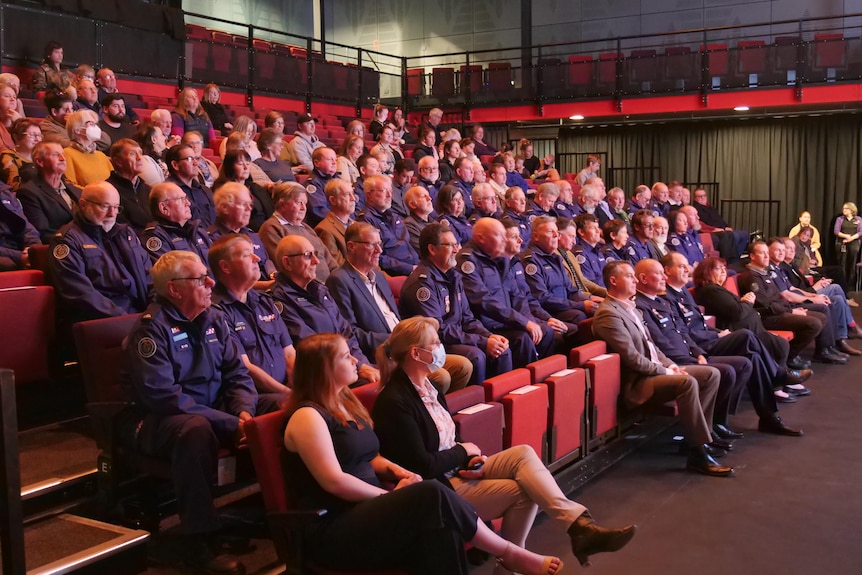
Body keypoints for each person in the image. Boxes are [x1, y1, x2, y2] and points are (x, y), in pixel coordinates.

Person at [282, 332, 563, 575]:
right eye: (345, 357)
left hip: (368, 513)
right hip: (333, 527)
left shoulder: (346, 403)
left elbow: (369, 457)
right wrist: (392, 497)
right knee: (431, 493)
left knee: (443, 528)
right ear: (324, 369)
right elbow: (334, 481)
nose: (355, 360)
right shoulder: (307, 416)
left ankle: (508, 555)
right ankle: (509, 553)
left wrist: (399, 473)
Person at [375, 316, 637, 570]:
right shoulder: (394, 401)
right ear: (416, 353)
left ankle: (579, 525)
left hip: (458, 468)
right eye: (434, 343)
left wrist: (471, 458)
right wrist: (463, 451)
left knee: (523, 453)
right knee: (524, 492)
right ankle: (516, 563)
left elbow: (449, 436)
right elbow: (422, 464)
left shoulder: (429, 388)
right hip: (440, 488)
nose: (440, 347)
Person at [121, 250, 277, 575]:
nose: (210, 283)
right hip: (158, 419)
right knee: (194, 430)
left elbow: (238, 373)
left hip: (215, 408)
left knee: (278, 407)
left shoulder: (214, 318)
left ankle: (279, 506)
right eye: (199, 279)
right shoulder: (150, 331)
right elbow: (163, 396)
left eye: (208, 276)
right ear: (175, 289)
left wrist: (245, 414)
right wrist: (232, 423)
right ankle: (198, 540)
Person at [592, 260, 731, 477]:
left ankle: (697, 437)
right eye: (629, 276)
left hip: (656, 370)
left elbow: (652, 347)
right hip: (639, 381)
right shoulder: (608, 313)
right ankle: (698, 453)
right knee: (687, 381)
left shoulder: (631, 308)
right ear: (613, 281)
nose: (635, 280)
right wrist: (667, 372)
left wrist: (672, 365)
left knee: (711, 373)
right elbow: (633, 359)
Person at [663, 252, 806, 431]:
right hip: (698, 347)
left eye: (687, 265)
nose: (687, 269)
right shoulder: (666, 297)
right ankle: (777, 373)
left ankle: (767, 418)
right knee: (745, 336)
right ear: (666, 271)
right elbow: (683, 333)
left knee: (753, 358)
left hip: (707, 338)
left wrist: (717, 332)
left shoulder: (683, 292)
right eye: (681, 266)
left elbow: (699, 325)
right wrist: (716, 336)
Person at [325, 222, 471, 393]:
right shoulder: (339, 280)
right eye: (372, 245)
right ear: (351, 246)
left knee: (463, 366)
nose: (379, 250)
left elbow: (396, 318)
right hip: (384, 352)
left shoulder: (379, 277)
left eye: (380, 244)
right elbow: (351, 332)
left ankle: (440, 415)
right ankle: (424, 415)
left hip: (406, 347)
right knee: (441, 376)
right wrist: (394, 341)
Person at [634, 258, 750, 450]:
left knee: (742, 365)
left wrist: (698, 352)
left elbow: (683, 331)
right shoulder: (640, 306)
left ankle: (714, 425)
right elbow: (658, 344)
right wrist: (689, 360)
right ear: (643, 279)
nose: (664, 277)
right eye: (659, 273)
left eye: (664, 273)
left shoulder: (662, 302)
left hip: (690, 354)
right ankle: (701, 436)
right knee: (724, 371)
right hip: (675, 362)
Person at [400, 223, 513, 386]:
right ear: (432, 249)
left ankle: (501, 403)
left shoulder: (453, 275)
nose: (456, 250)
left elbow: (467, 319)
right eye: (450, 245)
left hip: (455, 338)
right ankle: (477, 407)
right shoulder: (422, 284)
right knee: (475, 355)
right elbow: (437, 331)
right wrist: (481, 342)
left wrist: (488, 336)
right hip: (433, 344)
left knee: (501, 349)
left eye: (456, 244)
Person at [270, 235, 380, 386]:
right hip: (326, 376)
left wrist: (362, 363)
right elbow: (311, 345)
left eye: (315, 254)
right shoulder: (280, 300)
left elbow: (346, 332)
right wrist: (357, 366)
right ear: (287, 262)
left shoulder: (321, 290)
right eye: (308, 256)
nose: (316, 261)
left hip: (349, 365)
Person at [691, 256, 815, 386]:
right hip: (739, 332)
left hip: (754, 329)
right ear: (706, 272)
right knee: (777, 344)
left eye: (724, 268)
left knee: (780, 343)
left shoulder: (718, 289)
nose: (723, 271)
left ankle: (782, 380)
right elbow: (737, 313)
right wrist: (747, 302)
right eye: (718, 268)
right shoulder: (711, 290)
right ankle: (778, 383)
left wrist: (745, 302)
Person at [458, 218, 558, 367]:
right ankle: (525, 385)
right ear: (481, 238)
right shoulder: (467, 261)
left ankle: (542, 379)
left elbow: (517, 296)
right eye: (499, 235)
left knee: (545, 332)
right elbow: (483, 301)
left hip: (507, 321)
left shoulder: (499, 258)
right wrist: (524, 323)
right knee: (522, 338)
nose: (504, 240)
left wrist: (530, 321)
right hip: (487, 326)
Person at [49, 181, 152, 325]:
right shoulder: (67, 241)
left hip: (141, 315)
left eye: (116, 207)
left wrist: (154, 310)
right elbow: (79, 294)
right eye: (105, 206)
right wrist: (126, 318)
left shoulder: (126, 233)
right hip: (104, 321)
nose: (112, 214)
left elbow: (150, 276)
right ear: (83, 204)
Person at [210, 234, 293, 395]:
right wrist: (288, 394)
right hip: (255, 396)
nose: (257, 258)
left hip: (286, 390)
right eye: (247, 255)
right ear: (226, 267)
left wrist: (298, 389)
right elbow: (245, 366)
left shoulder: (265, 301)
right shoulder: (216, 311)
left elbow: (289, 352)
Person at [738, 241, 845, 365]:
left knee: (821, 317)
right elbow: (766, 305)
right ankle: (789, 356)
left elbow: (778, 297)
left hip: (780, 311)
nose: (767, 256)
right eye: (762, 253)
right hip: (768, 317)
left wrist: (793, 309)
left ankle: (821, 350)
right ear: (752, 256)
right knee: (814, 323)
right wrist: (792, 311)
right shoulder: (751, 276)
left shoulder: (764, 272)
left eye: (767, 253)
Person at [771, 237, 862, 356]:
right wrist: (814, 294)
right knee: (834, 291)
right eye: (786, 248)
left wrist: (813, 292)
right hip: (794, 302)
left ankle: (840, 340)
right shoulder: (779, 268)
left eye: (793, 248)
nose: (790, 251)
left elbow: (794, 288)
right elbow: (788, 294)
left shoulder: (791, 266)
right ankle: (840, 336)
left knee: (838, 299)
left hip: (805, 294)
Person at [259, 182, 337, 283]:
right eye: (299, 202)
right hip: (310, 290)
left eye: (305, 203)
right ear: (282, 204)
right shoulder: (272, 228)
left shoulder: (307, 228)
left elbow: (331, 263)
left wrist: (338, 282)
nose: (303, 208)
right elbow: (289, 270)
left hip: (329, 287)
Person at [520, 216, 592, 325]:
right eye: (550, 232)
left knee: (598, 309)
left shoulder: (556, 257)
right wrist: (581, 305)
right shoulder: (530, 261)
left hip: (565, 306)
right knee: (579, 315)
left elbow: (571, 291)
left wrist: (590, 300)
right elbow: (542, 298)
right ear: (535, 236)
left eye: (557, 232)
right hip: (549, 312)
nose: (556, 236)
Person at [208, 182, 275, 288]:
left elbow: (268, 264)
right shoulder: (213, 240)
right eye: (243, 204)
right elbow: (224, 284)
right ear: (224, 208)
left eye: (250, 204)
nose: (249, 209)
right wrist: (268, 285)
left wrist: (275, 277)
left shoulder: (252, 235)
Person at [17, 141, 80, 243]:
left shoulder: (74, 190)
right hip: (62, 247)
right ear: (40, 162)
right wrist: (78, 240)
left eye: (63, 154)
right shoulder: (29, 193)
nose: (62, 159)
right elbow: (44, 233)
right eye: (55, 155)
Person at [356, 174, 419, 276]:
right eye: (383, 191)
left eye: (390, 191)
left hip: (415, 267)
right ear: (369, 195)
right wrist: (409, 268)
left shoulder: (394, 216)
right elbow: (377, 256)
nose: (389, 196)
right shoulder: (365, 221)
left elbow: (408, 244)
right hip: (396, 274)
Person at [142, 182, 212, 266]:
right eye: (182, 199)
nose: (188, 203)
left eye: (187, 198)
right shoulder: (155, 237)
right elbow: (172, 273)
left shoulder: (197, 230)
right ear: (164, 208)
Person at [213, 149, 272, 231]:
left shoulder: (255, 187)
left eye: (248, 164)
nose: (245, 167)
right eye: (240, 164)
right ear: (230, 167)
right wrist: (264, 229)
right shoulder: (223, 189)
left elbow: (270, 211)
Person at [105, 138, 152, 233]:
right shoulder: (108, 191)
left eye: (140, 153)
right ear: (119, 162)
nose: (139, 158)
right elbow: (120, 229)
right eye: (132, 154)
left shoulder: (148, 189)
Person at [165, 143, 216, 229]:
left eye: (196, 159)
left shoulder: (204, 190)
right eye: (190, 159)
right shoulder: (168, 192)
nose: (196, 163)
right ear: (175, 165)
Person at [63, 109, 112, 187]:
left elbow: (115, 181)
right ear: (77, 130)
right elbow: (70, 185)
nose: (96, 128)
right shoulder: (67, 153)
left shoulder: (101, 155)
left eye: (95, 124)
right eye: (91, 124)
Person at [315, 178, 355, 266]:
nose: (353, 198)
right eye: (347, 194)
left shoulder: (356, 225)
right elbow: (339, 266)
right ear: (333, 200)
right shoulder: (324, 229)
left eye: (353, 193)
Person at [0, 181, 39, 271]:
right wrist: (18, 256)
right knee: (7, 264)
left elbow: (26, 226)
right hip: (6, 256)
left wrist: (32, 249)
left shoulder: (4, 192)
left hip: (19, 250)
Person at [1, 118, 41, 190]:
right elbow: (14, 187)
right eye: (32, 135)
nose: (37, 139)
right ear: (16, 137)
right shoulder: (8, 157)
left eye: (39, 135)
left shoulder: (42, 155)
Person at [834, 202, 862, 288]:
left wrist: (851, 238)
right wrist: (846, 236)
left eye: (846, 208)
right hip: (842, 243)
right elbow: (836, 231)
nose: (844, 210)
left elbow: (860, 232)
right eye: (843, 208)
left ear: (851, 210)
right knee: (842, 263)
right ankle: (842, 283)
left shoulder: (858, 219)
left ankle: (850, 284)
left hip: (854, 242)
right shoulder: (840, 219)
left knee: (852, 263)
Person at [404, 185, 435, 253]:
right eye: (423, 196)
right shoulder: (409, 225)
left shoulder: (434, 221)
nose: (429, 198)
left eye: (428, 195)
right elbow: (424, 252)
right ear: (412, 204)